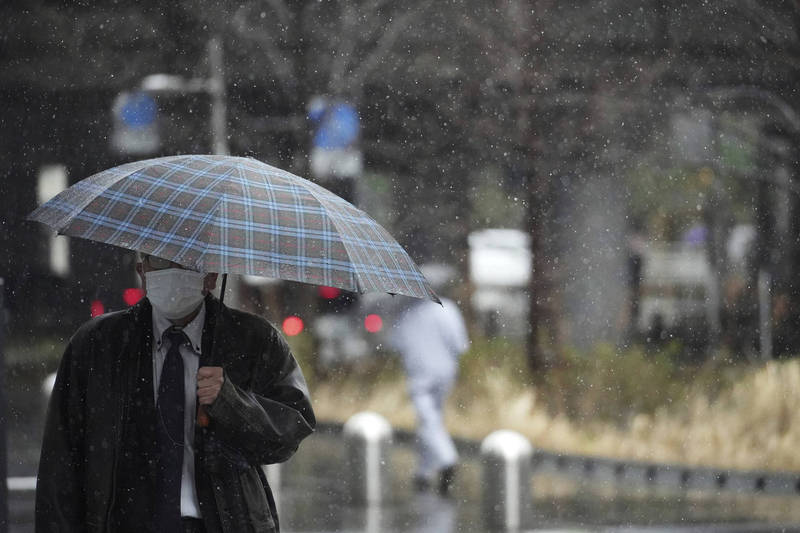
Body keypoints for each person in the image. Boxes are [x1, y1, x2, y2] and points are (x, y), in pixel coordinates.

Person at [36, 253, 316, 533]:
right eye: (159, 260)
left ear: (212, 275)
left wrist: (232, 402)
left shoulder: (253, 341)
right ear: (141, 270)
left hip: (223, 524)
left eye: (186, 261)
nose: (172, 270)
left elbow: (288, 433)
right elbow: (60, 464)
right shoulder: (98, 344)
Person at [389, 266, 469, 495]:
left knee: (427, 421)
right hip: (446, 373)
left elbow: (396, 344)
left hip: (420, 375)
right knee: (433, 419)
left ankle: (446, 459)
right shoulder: (448, 309)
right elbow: (460, 344)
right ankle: (424, 471)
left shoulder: (408, 314)